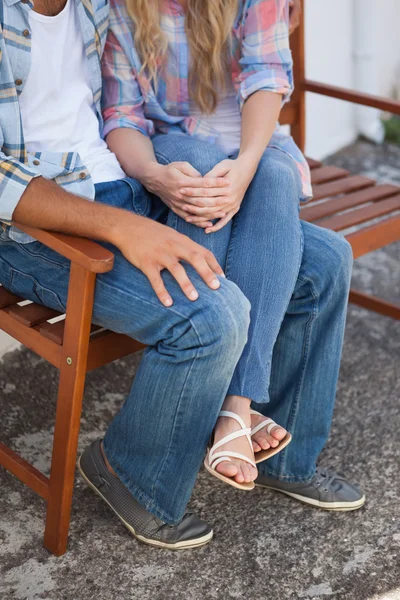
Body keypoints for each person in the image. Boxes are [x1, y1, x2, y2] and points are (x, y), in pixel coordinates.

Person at [0, 0, 363, 552]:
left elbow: (127, 111)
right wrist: (125, 227)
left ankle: (276, 451)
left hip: (127, 190)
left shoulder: (95, 6)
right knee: (212, 317)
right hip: (36, 228)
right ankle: (130, 471)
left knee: (324, 264)